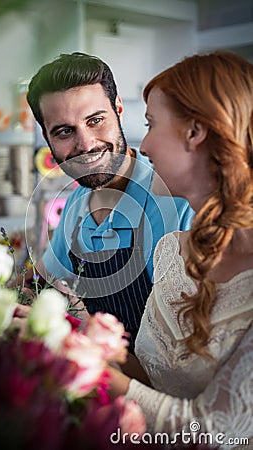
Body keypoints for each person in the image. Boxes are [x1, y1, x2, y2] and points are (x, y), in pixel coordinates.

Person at [107, 50, 253, 447]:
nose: (145, 144)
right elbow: (157, 384)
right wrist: (82, 342)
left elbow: (217, 431)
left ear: (195, 132)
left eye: (151, 123)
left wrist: (95, 375)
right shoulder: (171, 251)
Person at [17, 52, 194, 351]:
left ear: (119, 109)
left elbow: (188, 354)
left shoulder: (180, 202)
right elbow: (43, 280)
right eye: (64, 131)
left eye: (95, 120)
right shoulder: (75, 203)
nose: (86, 144)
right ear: (47, 138)